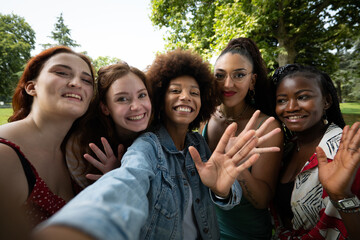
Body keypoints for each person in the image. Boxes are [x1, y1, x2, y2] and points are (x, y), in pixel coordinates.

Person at [34, 49, 281, 240]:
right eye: (176, 91)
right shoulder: (147, 146)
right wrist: (84, 225)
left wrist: (221, 190)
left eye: (194, 93)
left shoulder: (198, 142)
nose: (186, 97)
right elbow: (128, 181)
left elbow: (226, 195)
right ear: (160, 99)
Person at [0, 46, 95, 227]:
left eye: (87, 80)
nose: (77, 83)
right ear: (31, 87)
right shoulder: (4, 155)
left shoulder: (76, 155)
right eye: (62, 72)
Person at [199, 37, 283, 239]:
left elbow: (262, 201)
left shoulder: (266, 126)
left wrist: (239, 165)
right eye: (220, 75)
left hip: (245, 233)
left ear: (252, 80)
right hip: (205, 227)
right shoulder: (205, 118)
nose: (228, 84)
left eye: (239, 75)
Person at [271, 64, 360, 239]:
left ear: (326, 101)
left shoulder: (345, 152)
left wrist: (342, 195)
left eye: (302, 97)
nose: (290, 107)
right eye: (282, 100)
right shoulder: (286, 148)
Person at [65, 62, 152, 187]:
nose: (137, 107)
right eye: (122, 99)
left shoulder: (163, 134)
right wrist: (112, 181)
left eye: (142, 95)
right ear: (105, 108)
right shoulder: (81, 146)